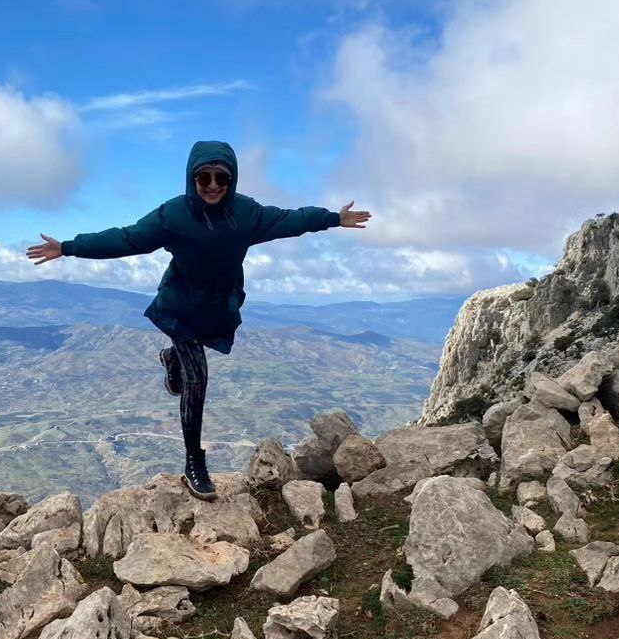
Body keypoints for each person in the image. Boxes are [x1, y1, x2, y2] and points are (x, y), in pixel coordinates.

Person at [27, 140, 371, 501]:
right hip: (180, 309)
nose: (211, 185)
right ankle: (194, 461)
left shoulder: (246, 215)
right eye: (203, 177)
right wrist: (68, 246)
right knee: (198, 378)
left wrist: (334, 218)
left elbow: (292, 220)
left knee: (190, 363)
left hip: (217, 308)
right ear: (192, 178)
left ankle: (171, 358)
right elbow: (126, 239)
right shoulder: (173, 216)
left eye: (220, 177)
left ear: (231, 179)